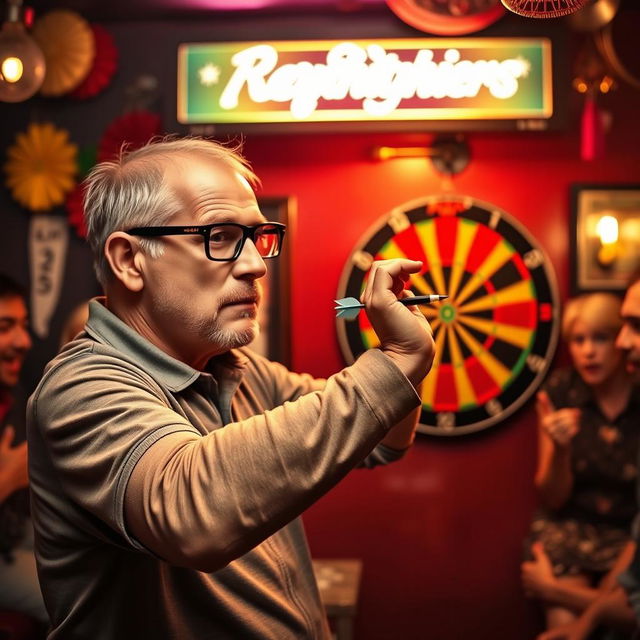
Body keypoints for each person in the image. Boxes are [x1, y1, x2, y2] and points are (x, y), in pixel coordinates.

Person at [26, 137, 435, 639]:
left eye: (258, 236)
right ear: (131, 260)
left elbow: (386, 440)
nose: (256, 265)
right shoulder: (83, 385)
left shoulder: (238, 372)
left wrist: (402, 364)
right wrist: (393, 364)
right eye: (220, 236)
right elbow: (189, 513)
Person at [521, 292, 640, 633]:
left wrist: (551, 589)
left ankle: (555, 589)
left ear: (620, 339)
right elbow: (552, 498)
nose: (588, 351)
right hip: (569, 528)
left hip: (629, 534)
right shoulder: (560, 391)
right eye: (578, 340)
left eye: (600, 338)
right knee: (564, 622)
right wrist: (560, 450)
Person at [0, 273, 47, 625]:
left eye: (24, 325)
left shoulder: (14, 402)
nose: (23, 341)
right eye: (5, 327)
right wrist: (7, 479)